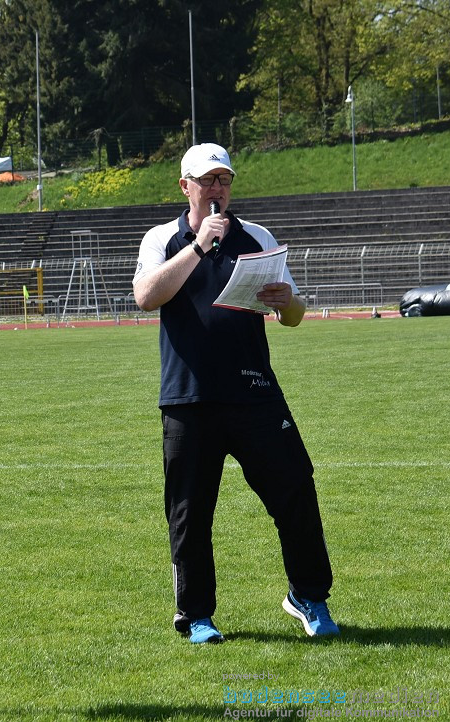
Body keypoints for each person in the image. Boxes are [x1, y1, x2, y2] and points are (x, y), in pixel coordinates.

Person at [132, 143, 338, 644]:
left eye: (224, 179)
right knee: (190, 511)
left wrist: (289, 301)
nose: (217, 188)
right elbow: (145, 296)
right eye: (207, 180)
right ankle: (196, 615)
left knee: (296, 491)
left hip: (254, 393)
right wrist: (198, 246)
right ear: (185, 187)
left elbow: (292, 316)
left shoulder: (257, 236)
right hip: (188, 397)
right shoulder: (163, 238)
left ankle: (308, 596)